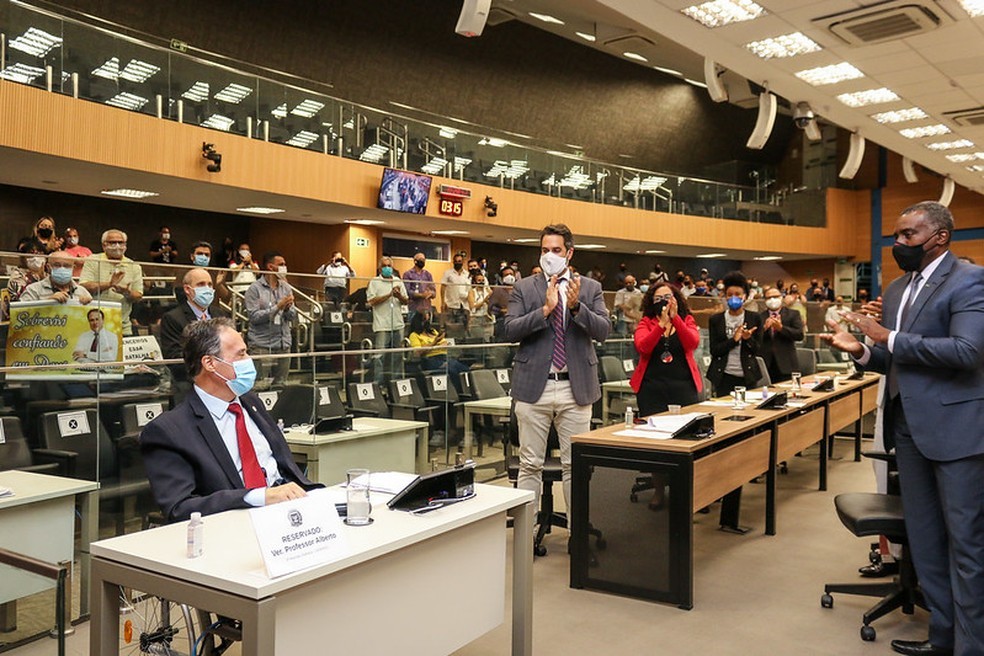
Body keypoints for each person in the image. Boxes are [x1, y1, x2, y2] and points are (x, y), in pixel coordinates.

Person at [822, 201, 984, 656]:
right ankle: (942, 637)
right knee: (925, 539)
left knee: (966, 544)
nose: (898, 244)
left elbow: (967, 351)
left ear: (940, 237)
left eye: (908, 236)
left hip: (956, 431)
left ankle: (972, 647)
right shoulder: (896, 291)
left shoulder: (971, 280)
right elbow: (894, 359)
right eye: (896, 236)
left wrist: (885, 336)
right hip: (907, 429)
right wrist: (859, 350)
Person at [141, 318, 321, 522]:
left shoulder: (251, 403)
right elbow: (179, 507)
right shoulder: (169, 431)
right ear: (210, 363)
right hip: (236, 525)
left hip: (290, 512)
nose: (250, 361)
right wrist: (258, 497)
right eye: (241, 354)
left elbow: (286, 469)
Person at [504, 224, 610, 526]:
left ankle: (579, 536)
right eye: (544, 250)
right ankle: (526, 533)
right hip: (533, 386)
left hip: (574, 388)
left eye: (556, 250)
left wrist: (576, 308)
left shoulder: (589, 288)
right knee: (529, 465)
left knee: (574, 466)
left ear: (569, 252)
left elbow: (603, 330)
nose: (549, 256)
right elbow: (510, 330)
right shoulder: (525, 287)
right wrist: (545, 311)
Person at [630, 283, 702, 509]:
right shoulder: (645, 323)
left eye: (668, 296)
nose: (663, 301)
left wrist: (675, 319)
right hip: (653, 390)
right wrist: (660, 325)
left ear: (676, 299)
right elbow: (643, 347)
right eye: (658, 298)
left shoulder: (687, 320)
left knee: (687, 441)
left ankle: (688, 490)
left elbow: (692, 342)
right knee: (657, 445)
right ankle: (659, 490)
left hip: (683, 388)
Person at [161, 268, 229, 393]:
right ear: (187, 289)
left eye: (210, 284)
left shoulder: (220, 314)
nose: (207, 289)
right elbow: (174, 358)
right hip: (190, 383)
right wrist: (208, 367)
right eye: (201, 284)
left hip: (221, 382)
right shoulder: (172, 318)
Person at [706, 271, 762, 397]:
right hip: (723, 375)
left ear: (745, 296)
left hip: (748, 375)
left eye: (738, 294)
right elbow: (714, 350)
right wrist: (734, 340)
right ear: (725, 296)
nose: (733, 298)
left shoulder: (754, 318)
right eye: (729, 295)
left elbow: (757, 349)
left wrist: (748, 339)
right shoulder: (716, 319)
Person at [79, 229, 144, 336]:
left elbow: (138, 296)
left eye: (120, 242)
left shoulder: (134, 266)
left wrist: (126, 292)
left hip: (122, 327)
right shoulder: (93, 260)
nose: (117, 245)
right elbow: (84, 286)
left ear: (125, 245)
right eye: (112, 242)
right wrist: (109, 284)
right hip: (94, 326)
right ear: (104, 245)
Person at [244, 252, 295, 388]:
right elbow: (254, 317)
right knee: (260, 386)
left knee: (281, 386)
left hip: (283, 344)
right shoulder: (254, 289)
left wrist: (287, 309)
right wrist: (278, 307)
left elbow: (293, 316)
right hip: (262, 346)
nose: (285, 267)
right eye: (281, 264)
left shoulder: (286, 287)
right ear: (270, 267)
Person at [366, 255, 408, 383]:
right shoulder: (374, 282)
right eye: (384, 266)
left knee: (398, 355)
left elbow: (405, 301)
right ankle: (378, 383)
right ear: (379, 269)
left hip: (397, 324)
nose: (387, 268)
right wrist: (389, 294)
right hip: (381, 325)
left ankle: (396, 383)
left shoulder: (397, 281)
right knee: (379, 356)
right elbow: (371, 301)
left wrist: (398, 295)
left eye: (389, 266)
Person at [407, 311, 468, 392]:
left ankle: (468, 391)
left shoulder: (433, 331)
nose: (426, 323)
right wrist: (434, 343)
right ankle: (459, 393)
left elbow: (445, 343)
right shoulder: (414, 335)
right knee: (451, 371)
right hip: (430, 359)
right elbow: (418, 352)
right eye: (424, 321)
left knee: (464, 369)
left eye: (428, 321)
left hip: (444, 357)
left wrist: (432, 346)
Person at [759, 285, 804, 384]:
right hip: (767, 364)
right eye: (769, 298)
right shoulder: (759, 317)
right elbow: (754, 339)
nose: (772, 300)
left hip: (787, 364)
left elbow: (799, 335)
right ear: (765, 300)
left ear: (781, 297)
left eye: (775, 296)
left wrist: (781, 328)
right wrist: (764, 329)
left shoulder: (793, 314)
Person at [20, 250, 93, 304]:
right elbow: (20, 315)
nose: (62, 268)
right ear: (48, 267)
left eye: (67, 266)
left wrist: (88, 306)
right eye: (57, 265)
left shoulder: (82, 292)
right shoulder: (33, 290)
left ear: (73, 268)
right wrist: (47, 303)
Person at [402, 251, 435, 326]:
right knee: (413, 331)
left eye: (424, 260)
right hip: (414, 309)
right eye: (420, 259)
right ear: (415, 261)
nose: (422, 261)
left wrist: (429, 294)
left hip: (426, 308)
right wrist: (421, 295)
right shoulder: (408, 274)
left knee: (427, 332)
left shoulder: (428, 274)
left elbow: (434, 291)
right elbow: (407, 292)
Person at [441, 253, 471, 324]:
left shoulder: (467, 275)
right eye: (456, 261)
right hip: (451, 305)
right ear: (453, 262)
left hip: (464, 305)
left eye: (459, 261)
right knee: (450, 327)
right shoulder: (447, 273)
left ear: (463, 262)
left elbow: (470, 290)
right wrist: (443, 302)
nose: (458, 263)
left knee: (463, 328)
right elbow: (443, 287)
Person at [489, 266, 515, 341]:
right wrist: (502, 310)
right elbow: (491, 308)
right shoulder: (497, 290)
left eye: (511, 274)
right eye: (506, 275)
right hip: (502, 323)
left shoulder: (519, 289)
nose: (509, 276)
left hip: (517, 322)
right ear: (502, 277)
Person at [467, 270, 493, 339]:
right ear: (475, 281)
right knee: (477, 340)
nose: (481, 282)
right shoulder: (472, 292)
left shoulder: (488, 291)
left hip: (487, 319)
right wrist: (484, 301)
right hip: (476, 319)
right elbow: (472, 308)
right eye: (479, 280)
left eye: (482, 280)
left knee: (488, 340)